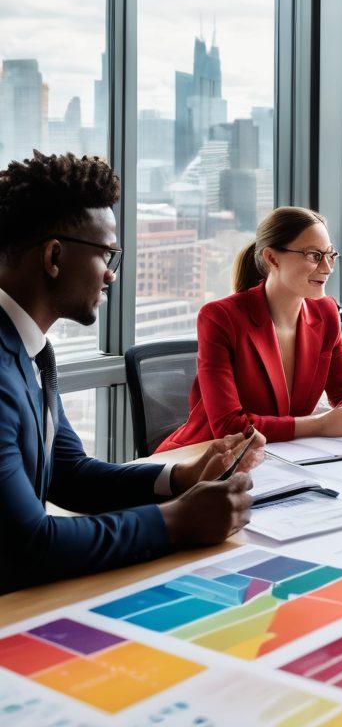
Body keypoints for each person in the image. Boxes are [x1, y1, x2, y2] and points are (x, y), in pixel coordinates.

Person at [0, 152, 261, 593]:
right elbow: (27, 545)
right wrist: (177, 521)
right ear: (54, 256)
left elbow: (69, 473)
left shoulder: (31, 350)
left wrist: (182, 478)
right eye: (107, 255)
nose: (111, 276)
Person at [158, 206, 342, 450]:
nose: (327, 268)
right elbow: (230, 427)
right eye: (314, 255)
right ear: (272, 258)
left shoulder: (326, 313)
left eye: (330, 255)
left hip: (283, 456)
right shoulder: (220, 317)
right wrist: (320, 424)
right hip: (206, 459)